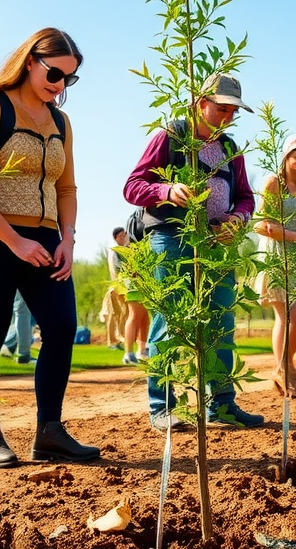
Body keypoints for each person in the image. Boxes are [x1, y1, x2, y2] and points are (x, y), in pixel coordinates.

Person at [0, 27, 98, 468]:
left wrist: (68, 239)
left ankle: (50, 432)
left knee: (60, 330)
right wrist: (14, 241)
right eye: (54, 73)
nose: (59, 85)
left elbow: (68, 187)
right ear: (31, 60)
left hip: (47, 241)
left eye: (69, 79)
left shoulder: (60, 122)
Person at [124, 72, 263, 431]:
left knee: (222, 323)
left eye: (234, 111)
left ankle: (222, 405)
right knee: (168, 322)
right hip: (172, 237)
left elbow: (247, 197)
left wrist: (237, 217)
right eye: (222, 109)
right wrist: (166, 191)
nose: (228, 117)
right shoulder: (171, 136)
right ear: (200, 103)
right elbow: (133, 185)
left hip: (218, 244)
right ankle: (162, 407)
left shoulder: (231, 149)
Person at [255, 135, 296, 398]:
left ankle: (286, 369)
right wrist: (294, 237)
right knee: (289, 317)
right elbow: (260, 224)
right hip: (279, 254)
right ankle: (285, 371)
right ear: (286, 158)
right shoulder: (274, 183)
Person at [119, 212, 150, 366]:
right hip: (136, 282)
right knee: (135, 316)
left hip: (143, 281)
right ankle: (128, 353)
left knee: (144, 318)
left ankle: (142, 350)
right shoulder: (134, 248)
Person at [100, 227, 128, 352]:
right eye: (120, 235)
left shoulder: (124, 251)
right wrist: (117, 285)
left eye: (124, 235)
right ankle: (112, 341)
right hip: (117, 287)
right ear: (116, 238)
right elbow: (114, 270)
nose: (123, 237)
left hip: (125, 287)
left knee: (124, 313)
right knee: (113, 314)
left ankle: (120, 337)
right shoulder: (114, 252)